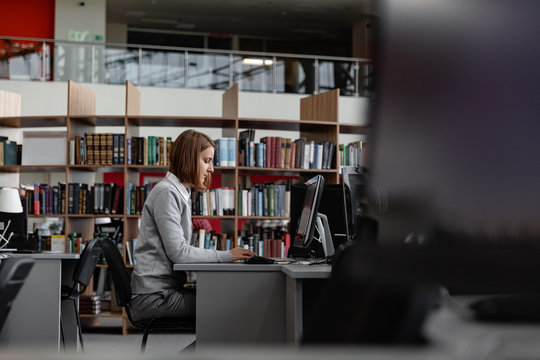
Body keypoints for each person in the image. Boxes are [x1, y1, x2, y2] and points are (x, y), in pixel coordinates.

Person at [130, 129, 255, 321]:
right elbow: (179, 253)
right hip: (154, 297)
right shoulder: (167, 193)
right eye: (206, 161)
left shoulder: (178, 193)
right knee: (233, 305)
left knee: (230, 302)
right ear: (188, 159)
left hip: (162, 292)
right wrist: (227, 255)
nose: (211, 169)